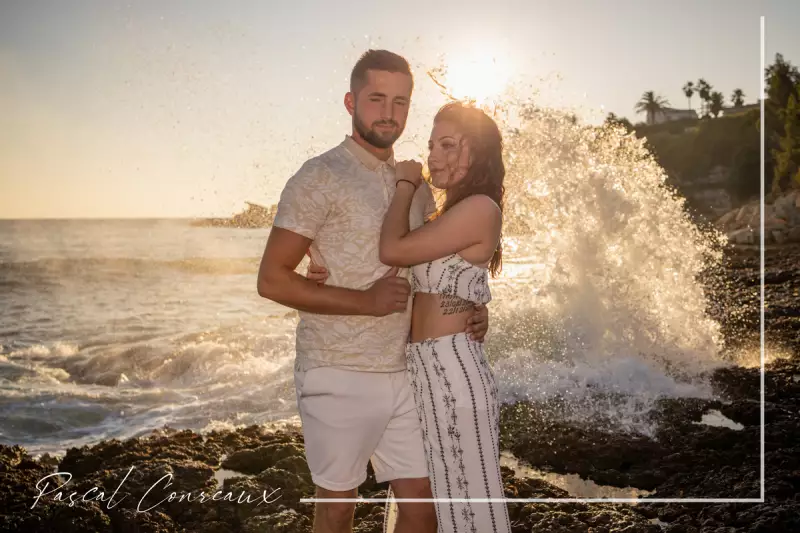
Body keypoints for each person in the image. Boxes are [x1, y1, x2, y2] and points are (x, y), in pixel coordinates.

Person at [256, 50, 490, 533]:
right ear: (350, 101)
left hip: (407, 371)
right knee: (338, 508)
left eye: (401, 102)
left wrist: (471, 307)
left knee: (423, 507)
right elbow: (272, 278)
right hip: (336, 369)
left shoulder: (417, 186)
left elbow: (439, 265)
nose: (389, 112)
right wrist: (364, 301)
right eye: (376, 98)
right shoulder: (319, 176)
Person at [313, 102, 512, 533]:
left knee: (467, 514)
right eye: (430, 144)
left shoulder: (479, 207)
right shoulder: (448, 213)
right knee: (435, 511)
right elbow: (444, 281)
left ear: (476, 154)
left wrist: (405, 184)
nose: (433, 155)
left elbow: (394, 251)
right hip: (424, 373)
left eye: (447, 145)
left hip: (453, 373)